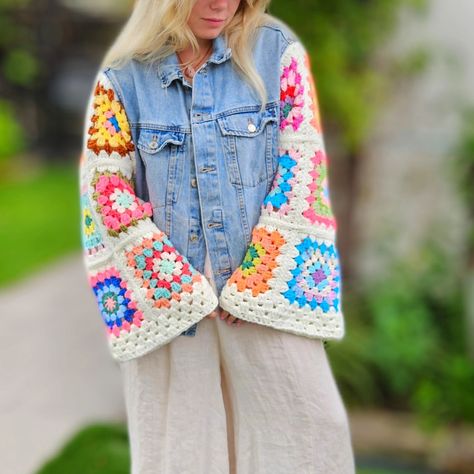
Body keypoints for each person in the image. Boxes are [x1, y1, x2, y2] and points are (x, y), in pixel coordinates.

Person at [78, 0, 356, 472]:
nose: (220, 4)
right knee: (185, 454)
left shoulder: (276, 54)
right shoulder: (123, 79)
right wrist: (178, 287)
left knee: (309, 438)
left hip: (265, 302)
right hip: (175, 314)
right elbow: (105, 194)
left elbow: (302, 174)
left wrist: (255, 283)